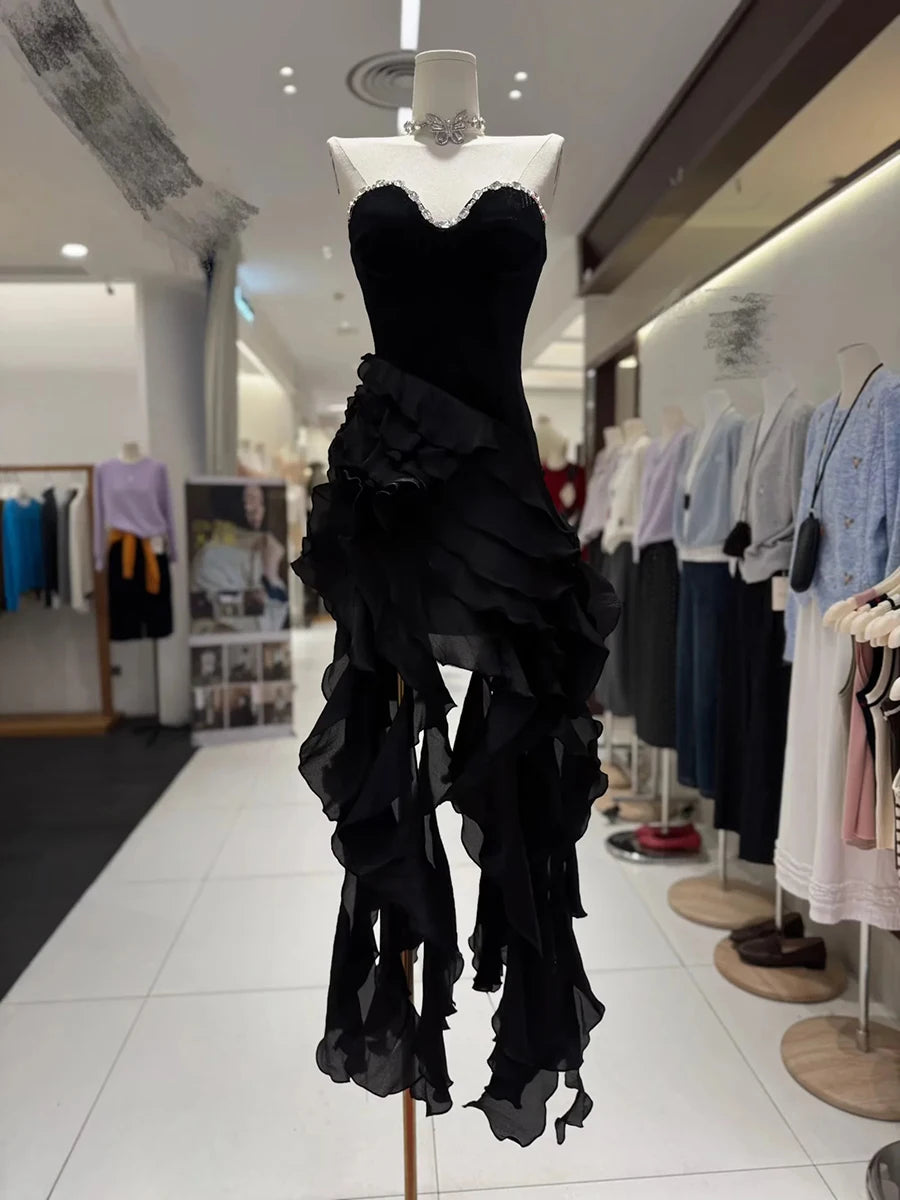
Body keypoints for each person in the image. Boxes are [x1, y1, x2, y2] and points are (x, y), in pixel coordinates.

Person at [190, 484, 289, 632]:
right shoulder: (210, 558)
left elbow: (279, 614)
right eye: (250, 500)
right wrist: (270, 571)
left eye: (261, 502)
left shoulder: (261, 551)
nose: (257, 509)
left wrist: (271, 572)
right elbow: (258, 626)